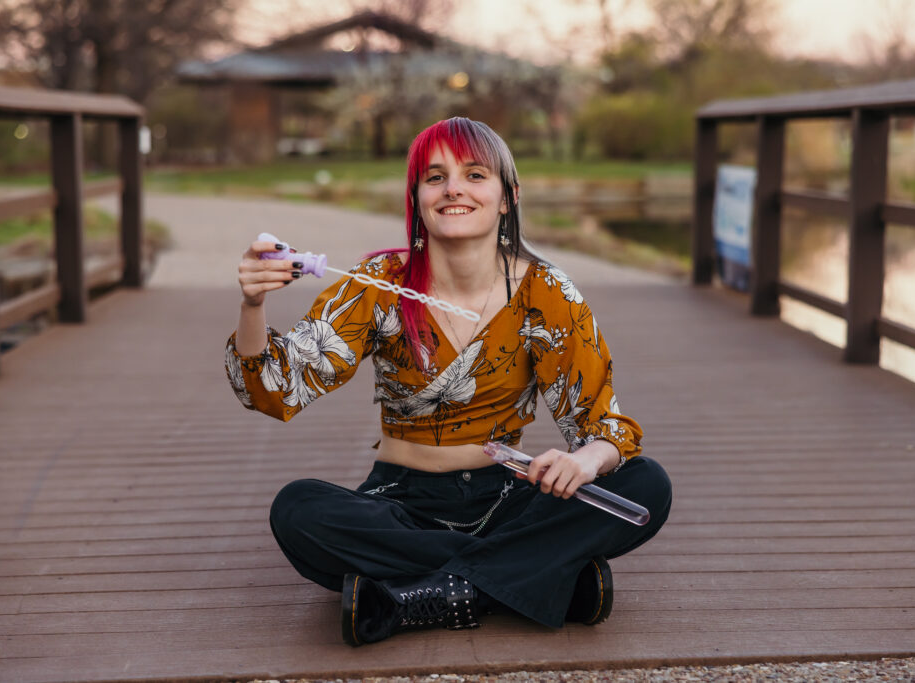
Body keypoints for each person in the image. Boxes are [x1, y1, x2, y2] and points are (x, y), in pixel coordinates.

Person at [226, 117, 671, 646]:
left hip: (511, 497)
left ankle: (418, 595)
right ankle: (547, 576)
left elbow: (603, 424)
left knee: (646, 484)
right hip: (402, 500)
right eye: (435, 177)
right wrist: (253, 304)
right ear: (416, 197)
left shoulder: (548, 292)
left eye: (475, 174)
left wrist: (583, 461)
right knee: (298, 509)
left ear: (508, 197)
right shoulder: (380, 283)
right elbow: (273, 389)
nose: (454, 188)